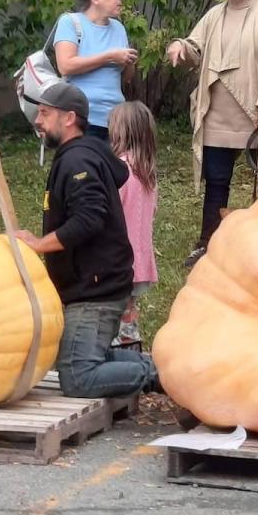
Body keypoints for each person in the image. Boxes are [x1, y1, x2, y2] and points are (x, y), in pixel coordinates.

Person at [15, 81, 160, 400]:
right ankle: (160, 366)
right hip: (91, 285)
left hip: (96, 291)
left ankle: (161, 375)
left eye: (44, 113)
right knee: (77, 361)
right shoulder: (82, 154)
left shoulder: (78, 161)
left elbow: (89, 218)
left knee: (78, 377)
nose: (38, 121)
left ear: (68, 118)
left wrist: (39, 244)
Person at [166, 0, 258, 266]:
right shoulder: (215, 14)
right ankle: (208, 244)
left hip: (255, 117)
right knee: (217, 182)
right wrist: (181, 46)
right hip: (217, 117)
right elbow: (195, 46)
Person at [52, 0, 136, 140]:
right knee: (85, 166)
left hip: (116, 119)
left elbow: (124, 79)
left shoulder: (119, 28)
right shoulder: (70, 22)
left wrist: (129, 62)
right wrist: (109, 56)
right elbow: (65, 66)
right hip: (81, 118)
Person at [107, 101, 158, 350]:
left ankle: (123, 365)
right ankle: (133, 357)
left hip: (119, 260)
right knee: (128, 312)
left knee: (113, 318)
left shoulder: (119, 170)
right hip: (140, 259)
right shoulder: (146, 171)